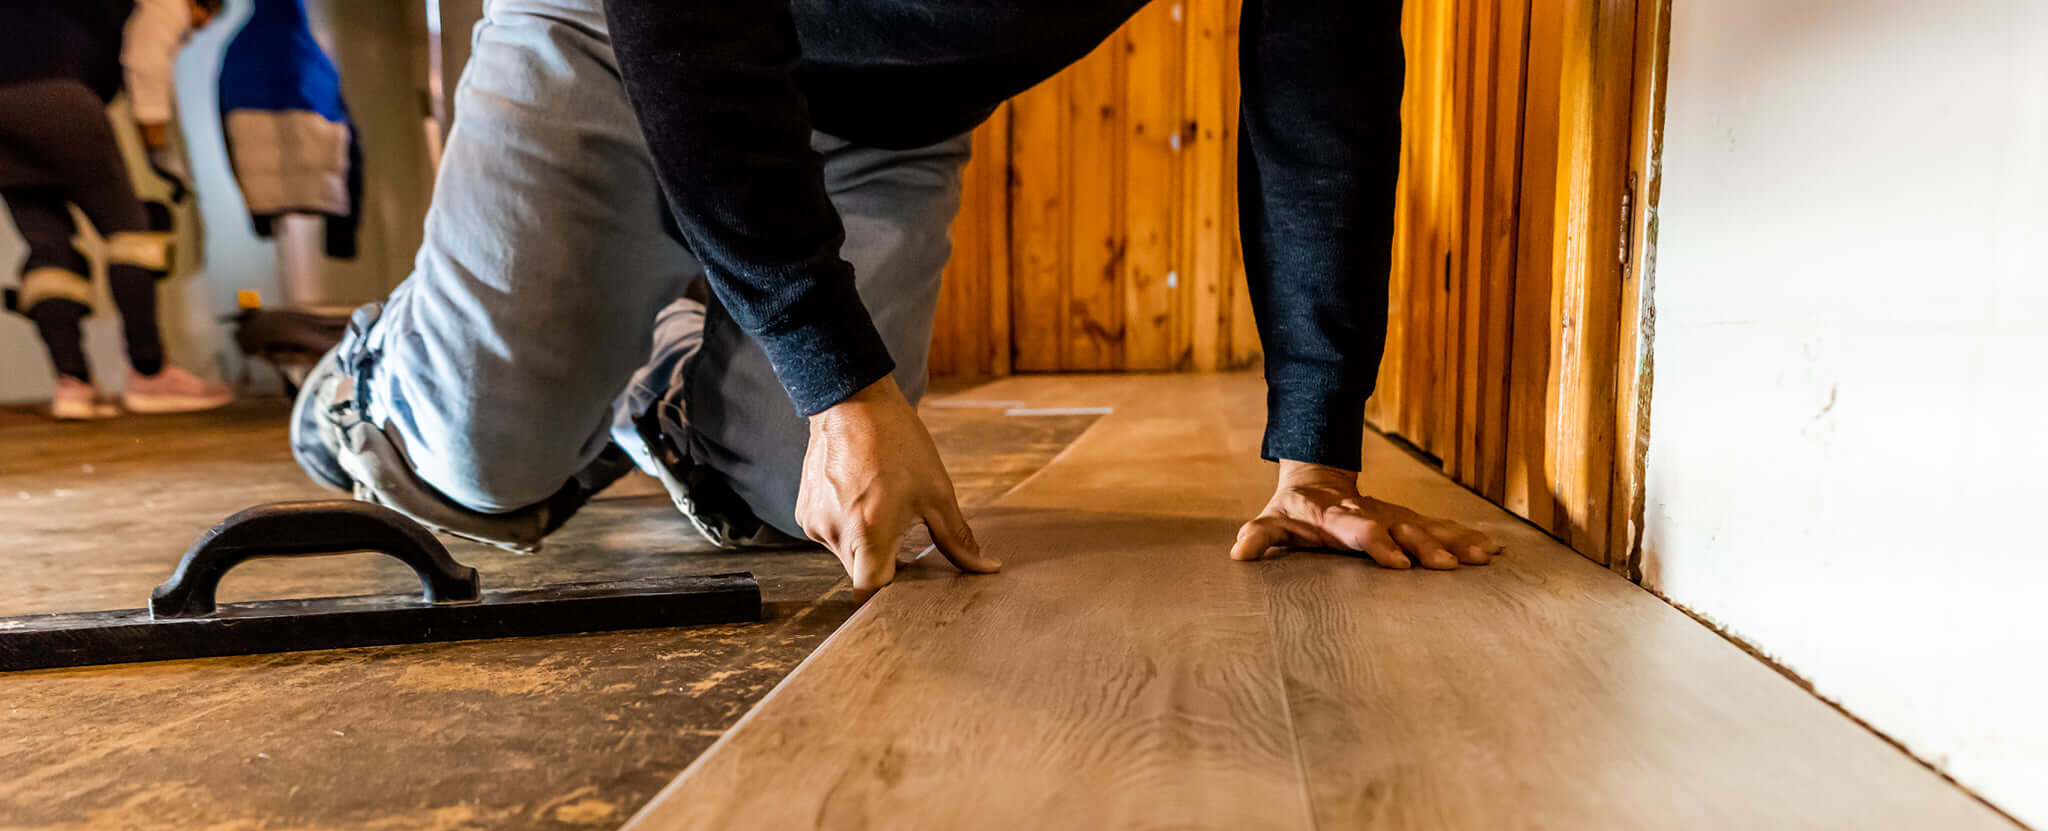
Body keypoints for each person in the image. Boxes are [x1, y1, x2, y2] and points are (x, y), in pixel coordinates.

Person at [292, 0, 1501, 590]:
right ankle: (373, 380)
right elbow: (686, 28)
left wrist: (1315, 455)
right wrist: (837, 376)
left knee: (794, 511)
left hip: (878, 128)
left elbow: (1319, 102)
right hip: (613, 32)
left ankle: (671, 373)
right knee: (471, 470)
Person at [1, 0, 232, 420]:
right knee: (133, 235)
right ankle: (149, 374)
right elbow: (145, 64)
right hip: (59, 96)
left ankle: (72, 385)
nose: (192, 32)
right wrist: (159, 155)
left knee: (47, 247)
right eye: (200, 23)